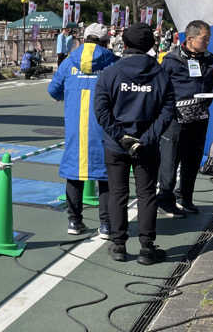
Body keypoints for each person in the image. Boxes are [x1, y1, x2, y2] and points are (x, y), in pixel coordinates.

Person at [93, 22, 176, 264]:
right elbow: (168, 109)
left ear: (125, 44)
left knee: (117, 193)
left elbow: (101, 109)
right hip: (147, 144)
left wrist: (120, 136)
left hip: (116, 144)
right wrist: (149, 137)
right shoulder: (160, 73)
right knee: (147, 193)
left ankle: (119, 245)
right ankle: (147, 248)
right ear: (151, 46)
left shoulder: (111, 72)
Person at [48, 23, 117, 237]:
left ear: (84, 39)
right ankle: (106, 225)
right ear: (106, 42)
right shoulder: (114, 63)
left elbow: (53, 90)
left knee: (74, 173)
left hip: (76, 126)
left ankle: (74, 222)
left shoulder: (69, 62)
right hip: (105, 128)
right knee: (106, 176)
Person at [157, 19, 213, 216]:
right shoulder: (171, 60)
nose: (207, 43)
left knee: (192, 160)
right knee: (170, 161)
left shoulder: (210, 60)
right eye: (204, 39)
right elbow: (161, 88)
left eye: (208, 39)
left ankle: (185, 197)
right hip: (176, 119)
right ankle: (165, 199)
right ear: (190, 38)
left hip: (200, 117)